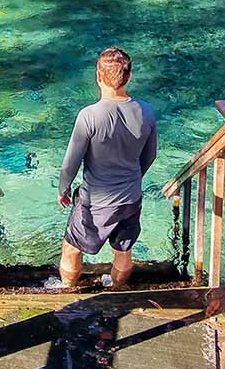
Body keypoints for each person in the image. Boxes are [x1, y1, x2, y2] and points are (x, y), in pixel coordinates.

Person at [57, 47, 157, 288]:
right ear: (129, 77)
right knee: (123, 251)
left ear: (98, 77)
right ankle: (117, 289)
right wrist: (134, 178)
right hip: (130, 198)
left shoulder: (89, 116)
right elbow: (150, 156)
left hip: (96, 202)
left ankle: (67, 291)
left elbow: (72, 161)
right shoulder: (146, 112)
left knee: (71, 249)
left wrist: (64, 188)